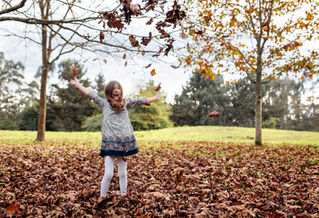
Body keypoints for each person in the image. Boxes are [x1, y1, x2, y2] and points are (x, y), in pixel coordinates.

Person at [69, 77, 161, 204]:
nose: (116, 90)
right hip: (109, 144)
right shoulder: (104, 103)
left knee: (123, 173)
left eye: (118, 88)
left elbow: (140, 100)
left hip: (124, 144)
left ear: (121, 91)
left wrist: (155, 98)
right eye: (113, 89)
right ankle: (102, 197)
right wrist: (78, 84)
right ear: (109, 92)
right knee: (109, 174)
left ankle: (123, 196)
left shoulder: (126, 103)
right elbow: (91, 94)